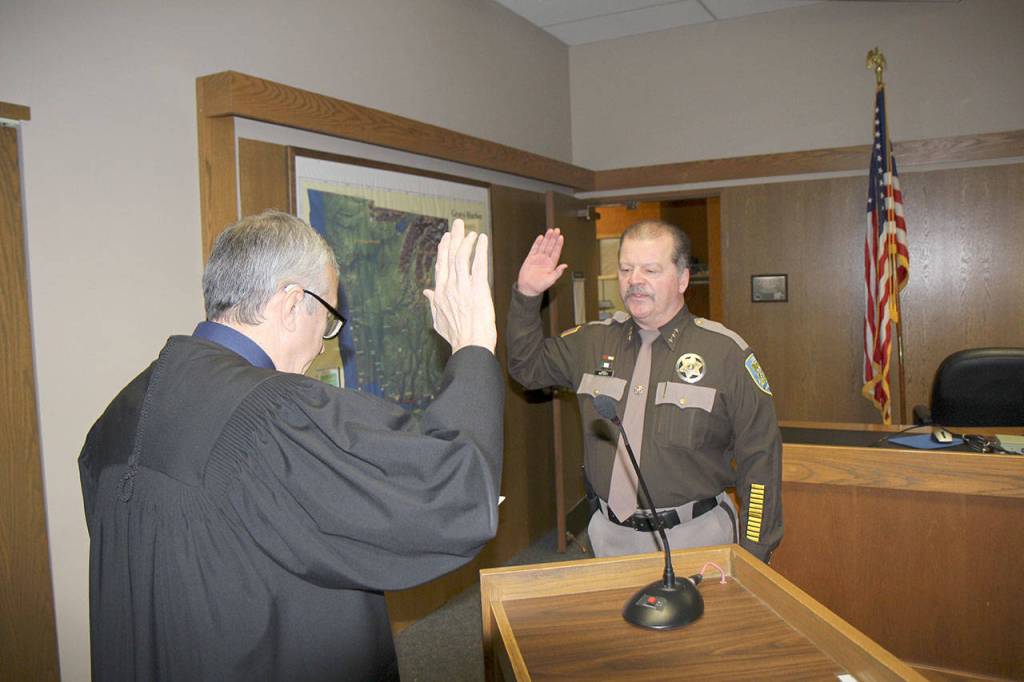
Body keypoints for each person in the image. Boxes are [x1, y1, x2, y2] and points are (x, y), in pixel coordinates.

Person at [79, 212, 501, 681]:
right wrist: (473, 345)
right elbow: (456, 498)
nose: (323, 345)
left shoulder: (116, 419)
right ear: (292, 302)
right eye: (328, 320)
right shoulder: (274, 416)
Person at [507, 220, 781, 562]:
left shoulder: (725, 354)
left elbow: (762, 459)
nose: (635, 280)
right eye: (625, 269)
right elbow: (527, 368)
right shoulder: (591, 342)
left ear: (682, 278)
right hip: (609, 537)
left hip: (696, 538)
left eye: (650, 269)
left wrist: (755, 550)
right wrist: (527, 296)